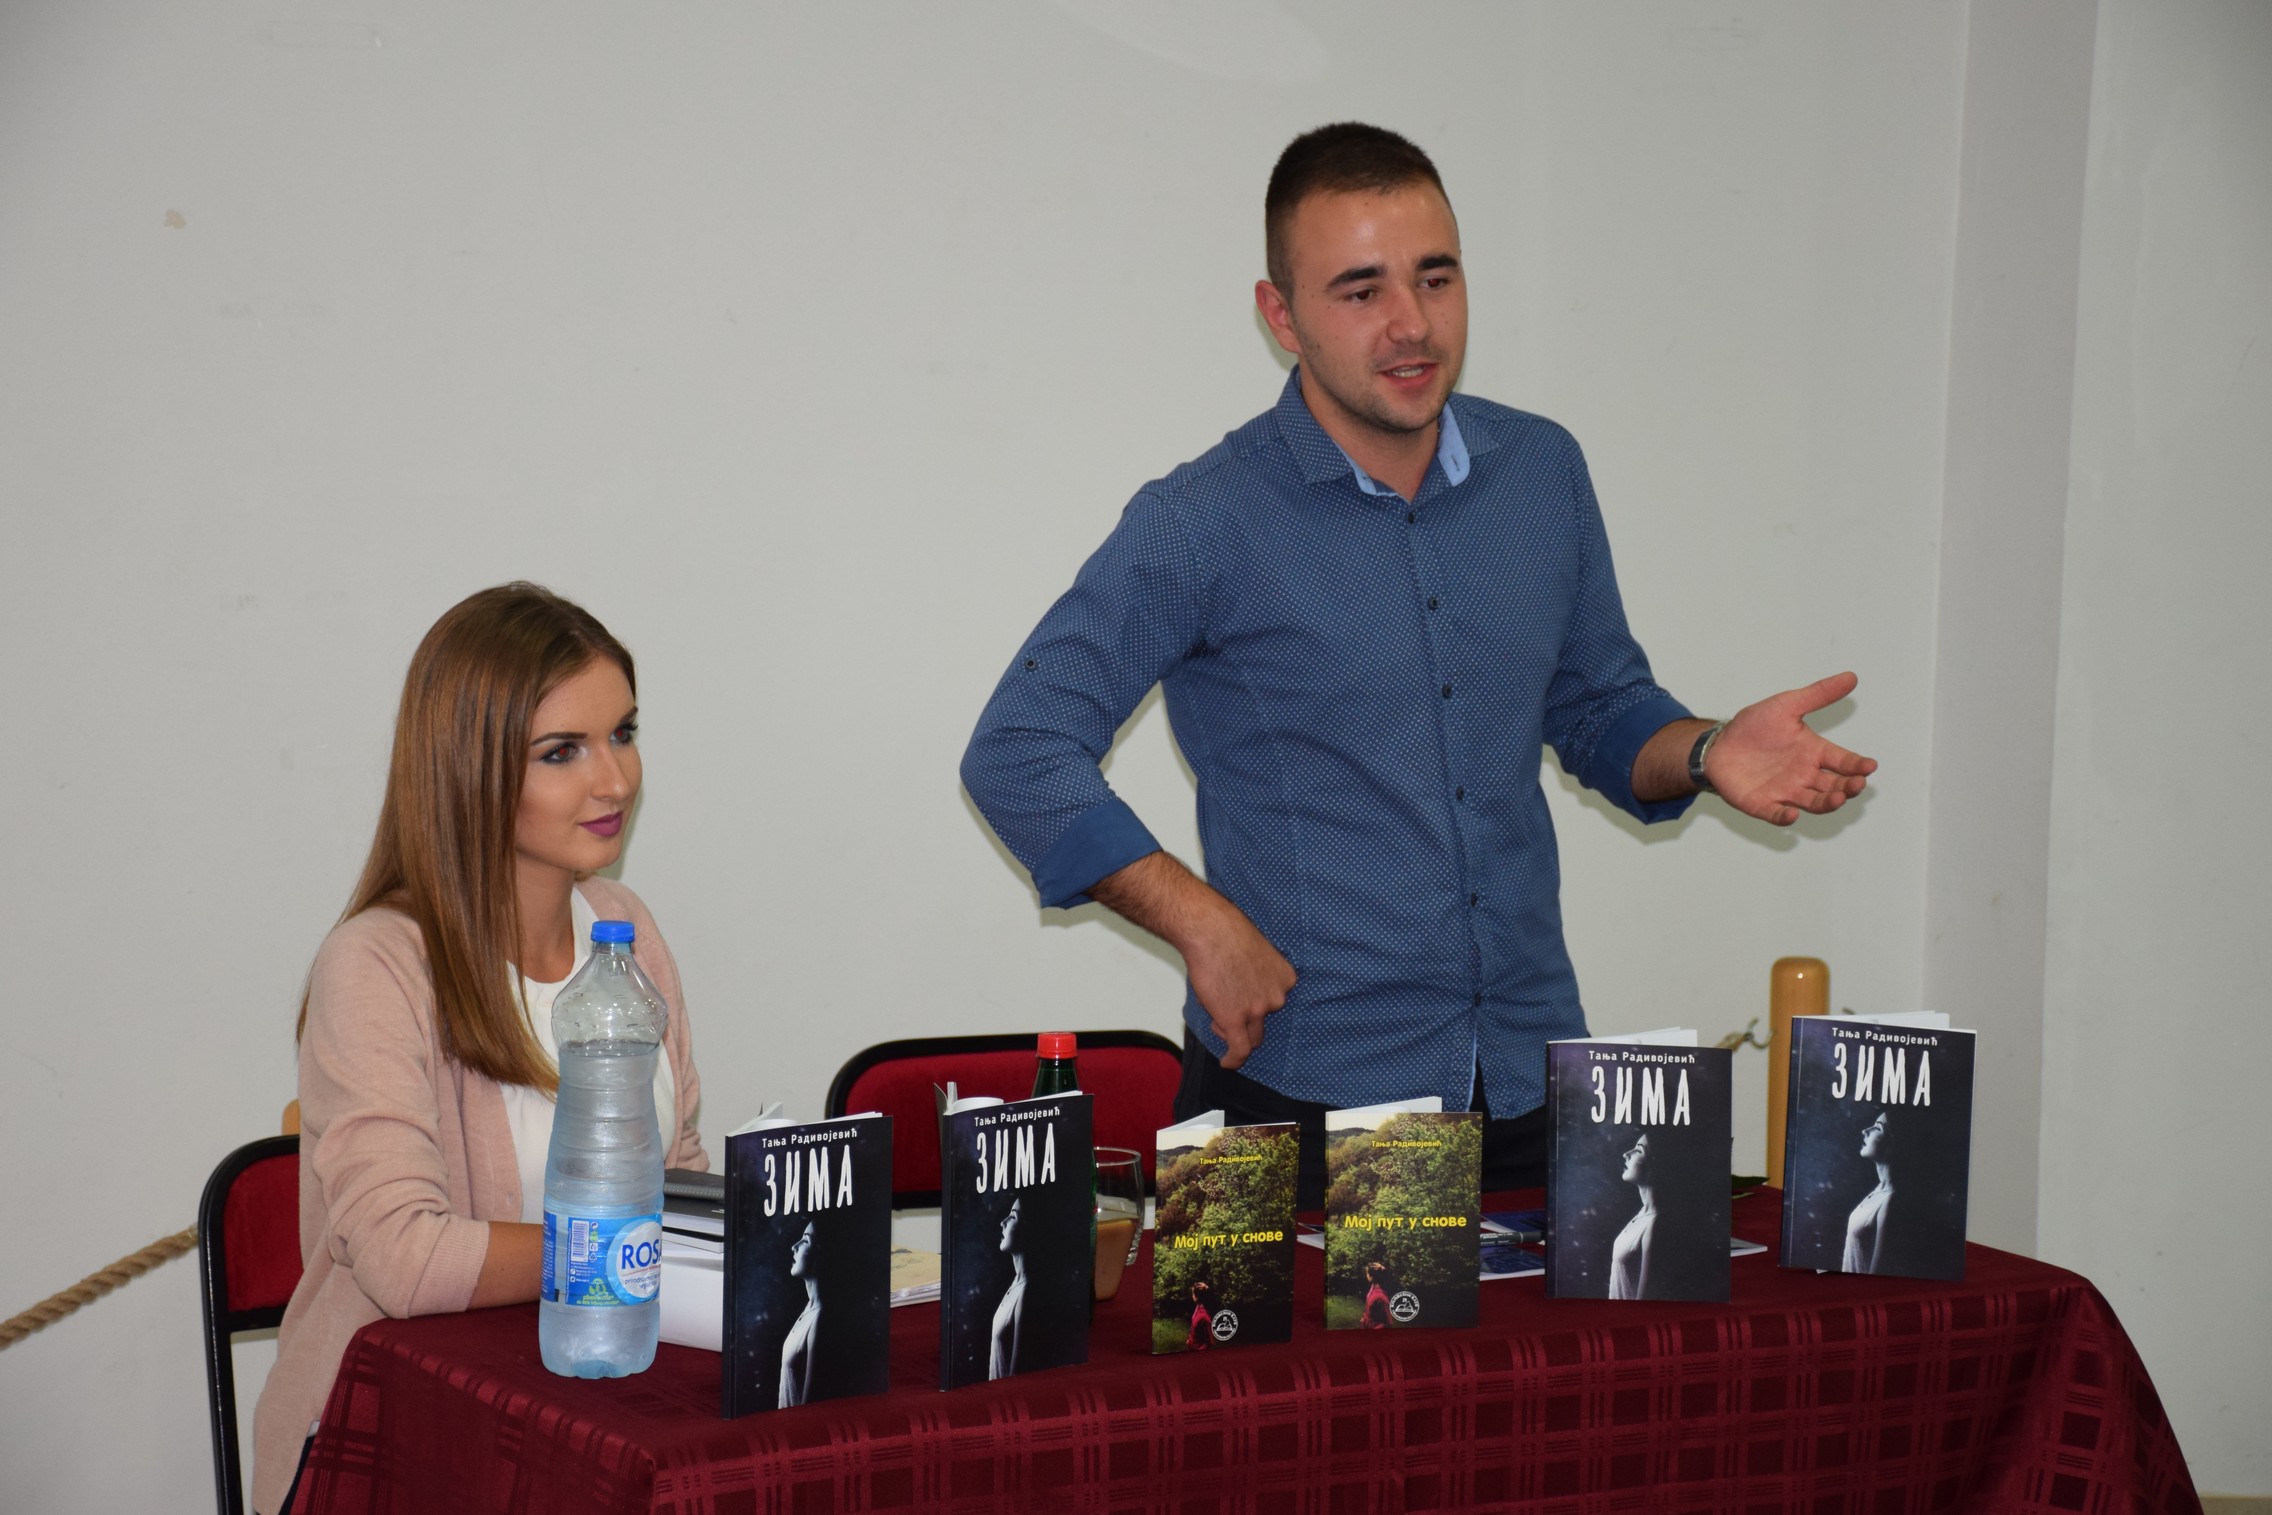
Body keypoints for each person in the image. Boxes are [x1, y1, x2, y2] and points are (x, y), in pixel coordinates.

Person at [960, 123, 1875, 1207]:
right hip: (1294, 1097)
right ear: (1280, 317)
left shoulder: (1542, 471)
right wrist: (1200, 922)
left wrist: (1712, 748)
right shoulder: (1201, 520)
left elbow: (1598, 709)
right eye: (1360, 291)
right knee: (1269, 1339)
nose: (1411, 323)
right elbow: (1018, 749)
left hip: (1529, 1083)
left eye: (1434, 278)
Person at [250, 584, 708, 1515]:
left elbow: (679, 1175)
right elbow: (404, 1257)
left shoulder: (625, 926)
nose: (615, 780)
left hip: (596, 1419)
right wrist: (631, 1246)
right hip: (406, 1446)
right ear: (469, 767)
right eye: (562, 751)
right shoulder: (377, 962)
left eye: (623, 733)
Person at [1842, 1111, 1896, 1274]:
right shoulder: (1879, 1191)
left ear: (1893, 1143)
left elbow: (1877, 1276)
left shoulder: (1890, 1200)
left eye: (1877, 1128)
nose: (1865, 1131)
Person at [1606, 1135, 1658, 1300]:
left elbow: (1644, 1303)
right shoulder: (1643, 1213)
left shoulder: (1655, 1224)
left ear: (1655, 1165)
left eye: (1638, 1150)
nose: (1626, 1154)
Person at [778, 1221, 822, 1407]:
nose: (794, 1247)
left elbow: (810, 1407)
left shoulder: (820, 1318)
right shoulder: (808, 1309)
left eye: (805, 1240)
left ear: (821, 1255)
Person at [987, 1196, 1027, 1379]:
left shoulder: (1026, 1292)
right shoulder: (1016, 1284)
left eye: (1013, 1216)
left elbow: (1017, 1377)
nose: (1002, 1223)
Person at [1361, 1260, 1393, 1329]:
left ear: (1371, 1276)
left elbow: (1388, 1322)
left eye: (1367, 1273)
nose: (1366, 1275)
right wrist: (1364, 1317)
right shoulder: (1372, 1288)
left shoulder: (1381, 1297)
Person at [1186, 1279, 1214, 1351]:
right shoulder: (1197, 1308)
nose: (1192, 1296)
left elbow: (1210, 1342)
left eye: (1193, 1294)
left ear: (1196, 1296)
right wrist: (1189, 1340)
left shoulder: (1204, 1317)